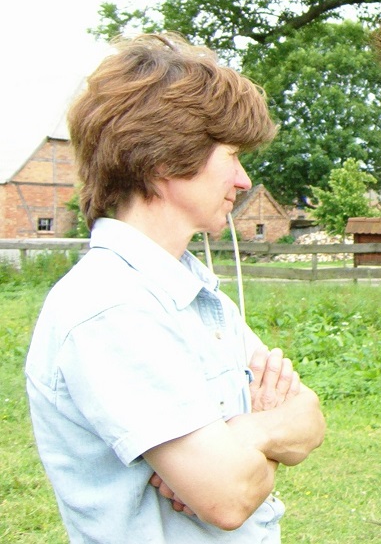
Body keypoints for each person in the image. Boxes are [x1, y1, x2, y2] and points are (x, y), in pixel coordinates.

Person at [24, 32, 326, 542]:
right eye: (230, 155)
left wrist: (246, 435)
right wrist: (256, 445)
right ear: (166, 161)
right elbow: (228, 497)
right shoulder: (110, 307)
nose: (243, 180)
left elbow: (311, 419)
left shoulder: (190, 291)